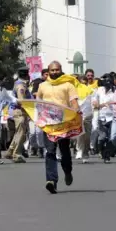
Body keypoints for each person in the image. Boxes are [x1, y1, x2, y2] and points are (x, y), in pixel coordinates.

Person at [37, 61, 80, 194]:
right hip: (48, 124)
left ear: (61, 70)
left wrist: (75, 112)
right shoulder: (42, 86)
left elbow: (74, 102)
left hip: (64, 123)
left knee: (64, 150)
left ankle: (67, 171)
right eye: (52, 70)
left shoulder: (68, 85)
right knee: (50, 151)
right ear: (48, 72)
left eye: (57, 70)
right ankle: (51, 181)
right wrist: (37, 118)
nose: (55, 72)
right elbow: (38, 103)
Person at [5, 67, 32, 163]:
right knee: (21, 134)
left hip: (17, 111)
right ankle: (16, 154)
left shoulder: (19, 83)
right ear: (26, 74)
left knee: (18, 133)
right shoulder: (21, 86)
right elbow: (22, 101)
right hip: (20, 111)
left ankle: (10, 150)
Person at [92, 74, 114, 163]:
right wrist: (97, 103)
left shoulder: (115, 91)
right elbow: (94, 100)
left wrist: (104, 104)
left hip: (112, 117)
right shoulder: (99, 90)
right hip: (101, 116)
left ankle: (106, 156)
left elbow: (113, 102)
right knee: (103, 137)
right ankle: (100, 150)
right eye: (105, 82)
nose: (107, 84)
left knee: (111, 137)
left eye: (109, 82)